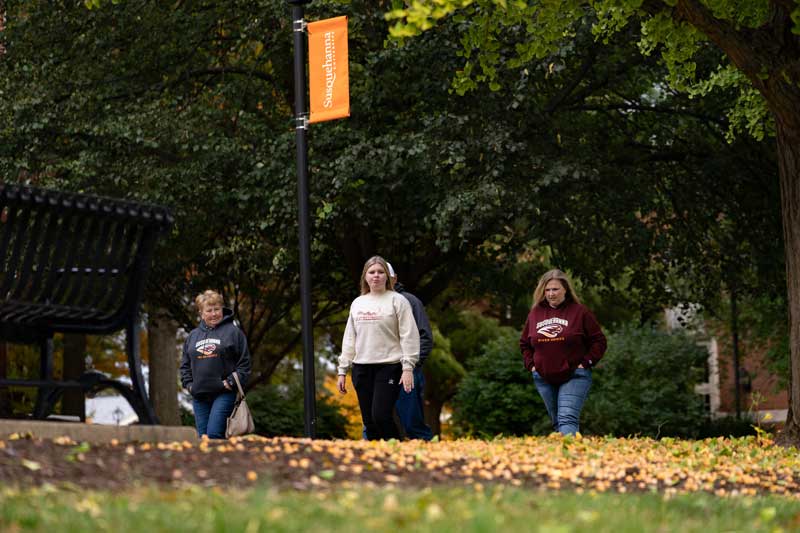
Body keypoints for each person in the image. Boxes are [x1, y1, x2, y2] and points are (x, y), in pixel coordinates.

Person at [338, 255, 420, 440]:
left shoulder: (398, 301)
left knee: (381, 416)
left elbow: (409, 336)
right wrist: (342, 370)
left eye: (380, 272)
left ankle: (396, 450)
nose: (376, 276)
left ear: (387, 277)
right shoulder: (358, 303)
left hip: (389, 366)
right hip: (361, 368)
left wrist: (408, 368)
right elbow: (350, 338)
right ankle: (376, 460)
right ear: (365, 276)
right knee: (369, 421)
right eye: (372, 272)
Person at [519, 269, 606, 436]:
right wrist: (531, 366)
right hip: (543, 377)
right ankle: (565, 458)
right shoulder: (535, 313)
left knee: (567, 419)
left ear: (565, 289)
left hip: (575, 375)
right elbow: (524, 343)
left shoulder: (580, 312)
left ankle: (569, 458)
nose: (551, 294)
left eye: (555, 289)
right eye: (547, 290)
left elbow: (599, 341)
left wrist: (585, 363)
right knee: (558, 423)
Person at [180, 290, 252, 439]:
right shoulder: (193, 336)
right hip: (200, 395)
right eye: (209, 310)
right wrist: (189, 385)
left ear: (222, 309)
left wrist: (230, 382)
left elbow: (244, 364)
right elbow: (185, 366)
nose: (214, 314)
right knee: (203, 437)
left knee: (213, 434)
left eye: (217, 309)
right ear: (201, 313)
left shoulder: (234, 332)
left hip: (224, 393)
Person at [386, 262, 434, 440]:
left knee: (412, 424)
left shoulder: (410, 301)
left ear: (394, 278)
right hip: (379, 372)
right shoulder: (368, 304)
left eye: (385, 275)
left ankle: (431, 462)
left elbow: (425, 338)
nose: (380, 278)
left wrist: (412, 365)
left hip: (407, 370)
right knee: (375, 424)